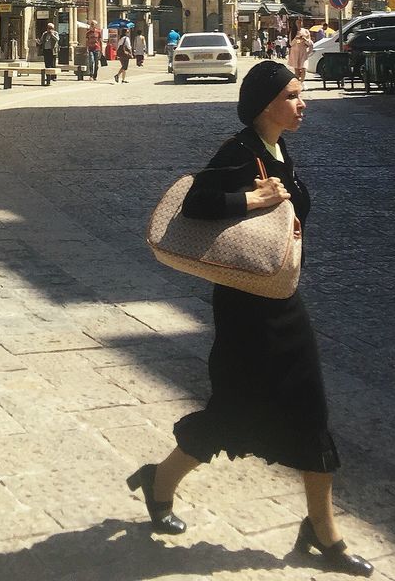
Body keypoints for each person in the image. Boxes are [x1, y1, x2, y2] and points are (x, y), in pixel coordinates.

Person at [126, 61, 372, 577]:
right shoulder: (239, 151)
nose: (302, 104)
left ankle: (322, 531)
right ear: (266, 104)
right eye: (294, 96)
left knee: (310, 408)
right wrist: (248, 197)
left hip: (281, 298)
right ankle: (160, 483)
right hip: (243, 305)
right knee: (233, 412)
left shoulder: (279, 148)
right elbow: (194, 203)